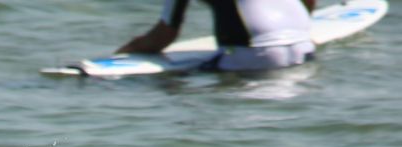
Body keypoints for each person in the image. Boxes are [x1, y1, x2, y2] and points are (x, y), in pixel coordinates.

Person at [118, 0, 317, 72]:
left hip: (255, 57)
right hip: (305, 49)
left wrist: (127, 51)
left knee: (173, 85)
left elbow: (163, 35)